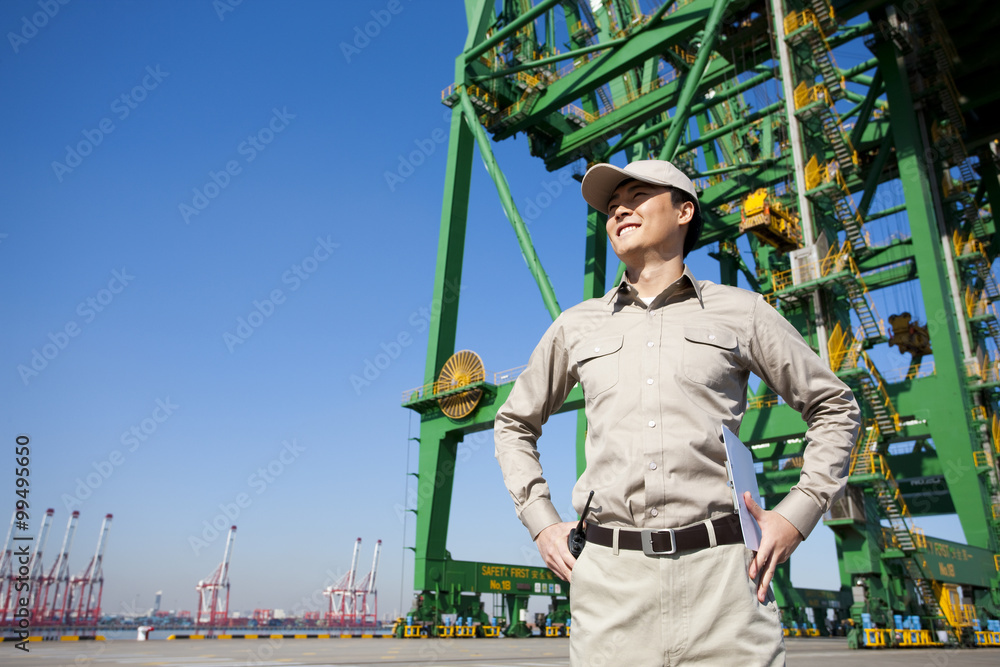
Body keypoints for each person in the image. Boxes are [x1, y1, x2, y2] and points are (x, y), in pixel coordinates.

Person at [494, 159, 860, 665]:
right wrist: (541, 522)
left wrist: (797, 516)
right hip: (611, 587)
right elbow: (513, 422)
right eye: (611, 205)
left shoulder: (743, 311)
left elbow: (835, 406)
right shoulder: (576, 326)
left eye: (638, 194)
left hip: (727, 583)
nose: (618, 207)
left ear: (685, 210)